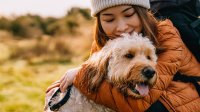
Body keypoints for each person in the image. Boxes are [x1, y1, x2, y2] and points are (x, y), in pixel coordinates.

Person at [46, 0, 200, 112]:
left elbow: (138, 102)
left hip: (180, 102)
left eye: (128, 14)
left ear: (142, 13)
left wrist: (81, 75)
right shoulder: (105, 43)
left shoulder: (167, 34)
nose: (121, 27)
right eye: (109, 19)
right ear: (99, 22)